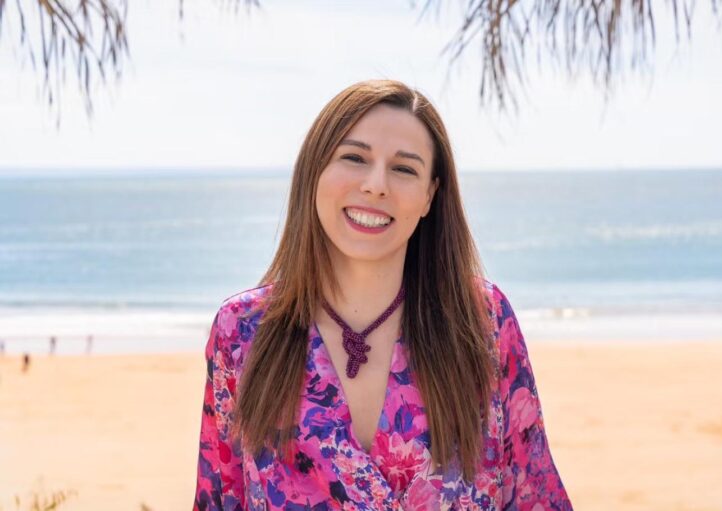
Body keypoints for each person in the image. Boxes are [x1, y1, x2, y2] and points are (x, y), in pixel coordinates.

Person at [193, 79, 571, 510]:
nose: (376, 185)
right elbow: (218, 499)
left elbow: (534, 496)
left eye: (404, 169)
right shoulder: (242, 330)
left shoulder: (483, 321)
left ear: (429, 196)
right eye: (354, 158)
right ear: (314, 172)